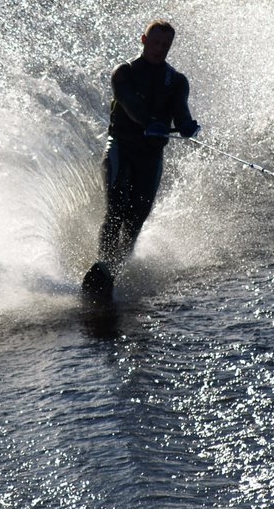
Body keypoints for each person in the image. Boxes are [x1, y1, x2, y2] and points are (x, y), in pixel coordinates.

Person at [82, 19, 200, 300]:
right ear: (143, 40)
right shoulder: (123, 73)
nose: (160, 49)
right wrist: (148, 121)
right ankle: (104, 265)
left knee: (136, 219)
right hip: (120, 148)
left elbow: (181, 110)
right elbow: (128, 102)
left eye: (166, 45)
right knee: (117, 205)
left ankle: (115, 271)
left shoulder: (177, 81)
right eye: (155, 42)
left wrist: (187, 125)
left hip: (151, 158)